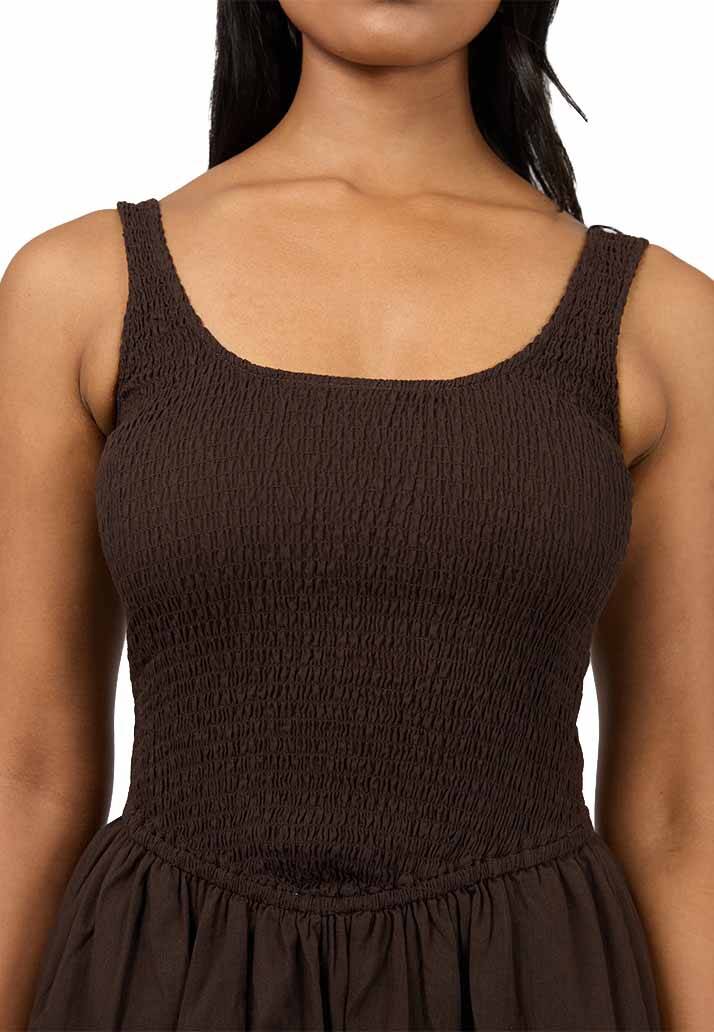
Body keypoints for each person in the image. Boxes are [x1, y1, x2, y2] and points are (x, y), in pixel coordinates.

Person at [1, 1, 712, 1029]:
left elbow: (681, 815)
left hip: (531, 992)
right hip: (164, 987)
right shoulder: (77, 291)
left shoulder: (665, 324)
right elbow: (28, 778)